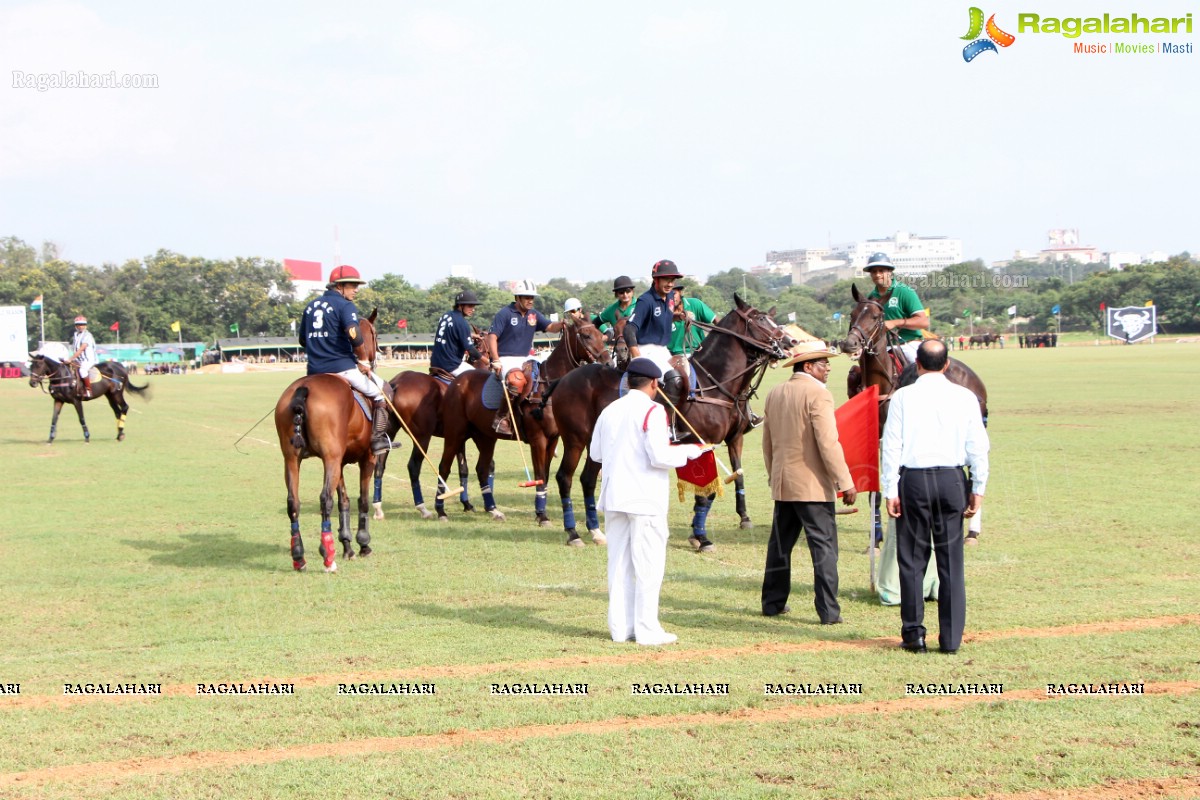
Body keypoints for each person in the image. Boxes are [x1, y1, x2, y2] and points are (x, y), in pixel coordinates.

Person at [881, 339, 989, 654]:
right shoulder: (965, 397)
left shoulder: (902, 397)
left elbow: (892, 446)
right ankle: (952, 638)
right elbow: (978, 447)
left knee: (912, 561)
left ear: (918, 364)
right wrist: (978, 488)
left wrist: (891, 489)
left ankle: (914, 635)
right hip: (953, 480)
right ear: (946, 364)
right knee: (951, 562)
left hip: (913, 480)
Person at [590, 357, 707, 646]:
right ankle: (647, 629)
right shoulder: (653, 411)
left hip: (616, 496)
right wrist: (691, 451)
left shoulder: (609, 410)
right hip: (644, 499)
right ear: (655, 384)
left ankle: (620, 628)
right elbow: (660, 456)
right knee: (648, 564)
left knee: (619, 564)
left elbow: (595, 454)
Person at [760, 340, 857, 623]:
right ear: (808, 366)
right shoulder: (819, 395)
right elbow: (828, 443)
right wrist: (845, 482)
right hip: (813, 486)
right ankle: (828, 611)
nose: (828, 368)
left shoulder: (775, 392)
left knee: (780, 547)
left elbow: (767, 444)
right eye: (823, 363)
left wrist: (774, 475)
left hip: (783, 483)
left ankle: (772, 603)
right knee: (824, 548)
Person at [299, 265, 392, 456]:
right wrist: (364, 359)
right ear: (339, 286)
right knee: (379, 394)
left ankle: (306, 440)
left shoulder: (310, 306)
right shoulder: (345, 305)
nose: (356, 290)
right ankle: (377, 440)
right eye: (352, 285)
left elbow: (302, 340)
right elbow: (354, 334)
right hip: (342, 367)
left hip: (314, 370)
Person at [487, 279, 565, 434]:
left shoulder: (534, 315)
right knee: (516, 381)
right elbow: (492, 337)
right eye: (527, 297)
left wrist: (562, 324)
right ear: (518, 298)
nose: (530, 301)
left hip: (525, 358)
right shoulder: (505, 314)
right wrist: (495, 360)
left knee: (544, 377)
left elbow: (550, 327)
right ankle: (501, 417)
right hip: (506, 358)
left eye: (532, 298)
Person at [624, 259, 684, 402]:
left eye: (672, 280)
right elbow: (629, 329)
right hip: (646, 350)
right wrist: (637, 357)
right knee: (673, 379)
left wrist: (678, 316)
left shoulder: (669, 297)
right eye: (666, 280)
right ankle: (666, 420)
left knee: (687, 373)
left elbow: (663, 317)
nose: (670, 284)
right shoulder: (646, 300)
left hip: (663, 350)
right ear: (656, 279)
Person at [865, 252, 928, 366]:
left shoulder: (904, 291)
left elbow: (923, 322)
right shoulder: (871, 297)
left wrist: (895, 323)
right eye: (874, 271)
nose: (877, 274)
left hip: (908, 344)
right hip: (881, 347)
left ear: (890, 272)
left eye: (881, 271)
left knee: (922, 372)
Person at [431, 290, 486, 377]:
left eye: (474, 306)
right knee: (478, 377)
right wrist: (487, 361)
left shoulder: (446, 315)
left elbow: (452, 332)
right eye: (470, 306)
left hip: (435, 362)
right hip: (451, 365)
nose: (473, 309)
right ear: (460, 305)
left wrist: (472, 335)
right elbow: (471, 350)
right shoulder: (462, 322)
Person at [667, 284, 718, 356]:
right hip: (673, 355)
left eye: (674, 293)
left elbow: (717, 321)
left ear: (680, 293)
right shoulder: (662, 311)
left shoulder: (695, 304)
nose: (671, 297)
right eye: (667, 294)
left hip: (698, 352)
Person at [66, 315, 97, 397]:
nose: (81, 326)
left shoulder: (87, 335)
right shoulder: (76, 335)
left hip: (88, 360)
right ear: (76, 326)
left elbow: (81, 349)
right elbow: (74, 349)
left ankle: (88, 390)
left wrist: (71, 358)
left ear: (86, 325)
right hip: (78, 360)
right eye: (79, 325)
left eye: (83, 324)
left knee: (82, 371)